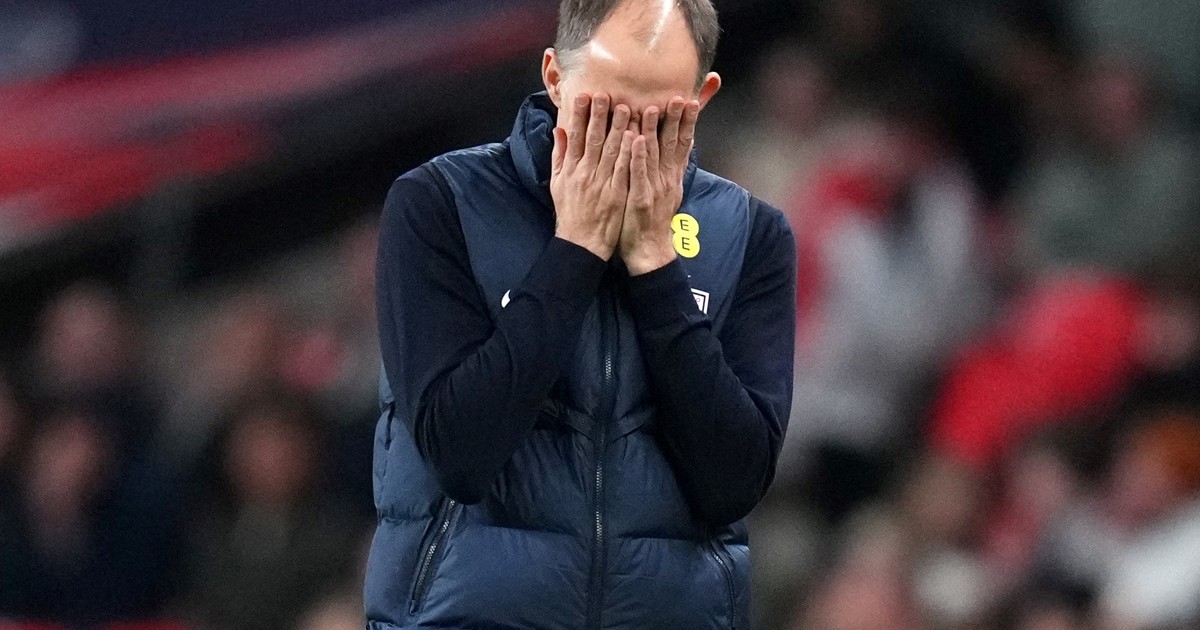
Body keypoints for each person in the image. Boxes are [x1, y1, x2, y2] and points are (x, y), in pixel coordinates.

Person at [367, 0, 796, 628]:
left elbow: (734, 484)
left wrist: (655, 267)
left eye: (658, 118)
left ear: (701, 98)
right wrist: (577, 249)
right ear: (554, 77)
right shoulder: (440, 204)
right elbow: (459, 453)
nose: (627, 140)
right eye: (605, 109)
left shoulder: (750, 236)